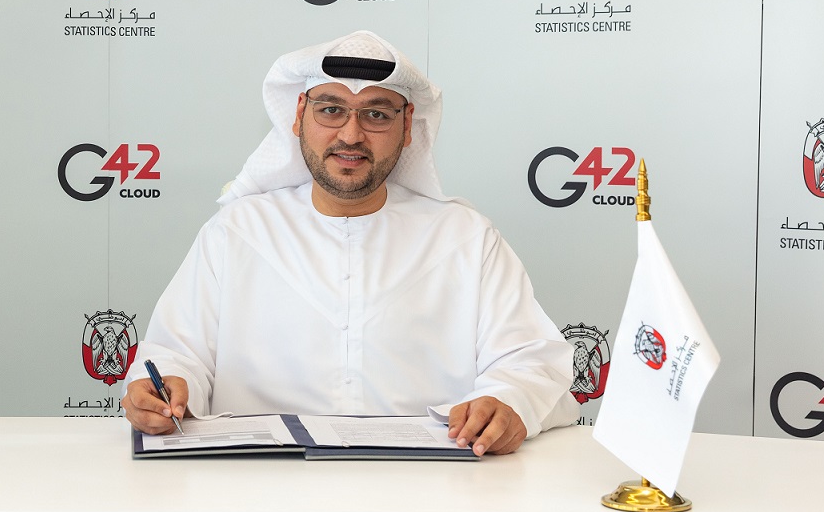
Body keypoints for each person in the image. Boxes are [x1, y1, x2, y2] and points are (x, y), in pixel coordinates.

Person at [123, 31, 575, 454]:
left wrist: (507, 401)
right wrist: (167, 387)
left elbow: (530, 360)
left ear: (407, 125)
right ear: (299, 115)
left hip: (429, 487)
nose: (351, 134)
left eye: (376, 114)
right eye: (331, 109)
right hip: (262, 483)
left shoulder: (466, 238)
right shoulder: (236, 232)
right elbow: (177, 354)